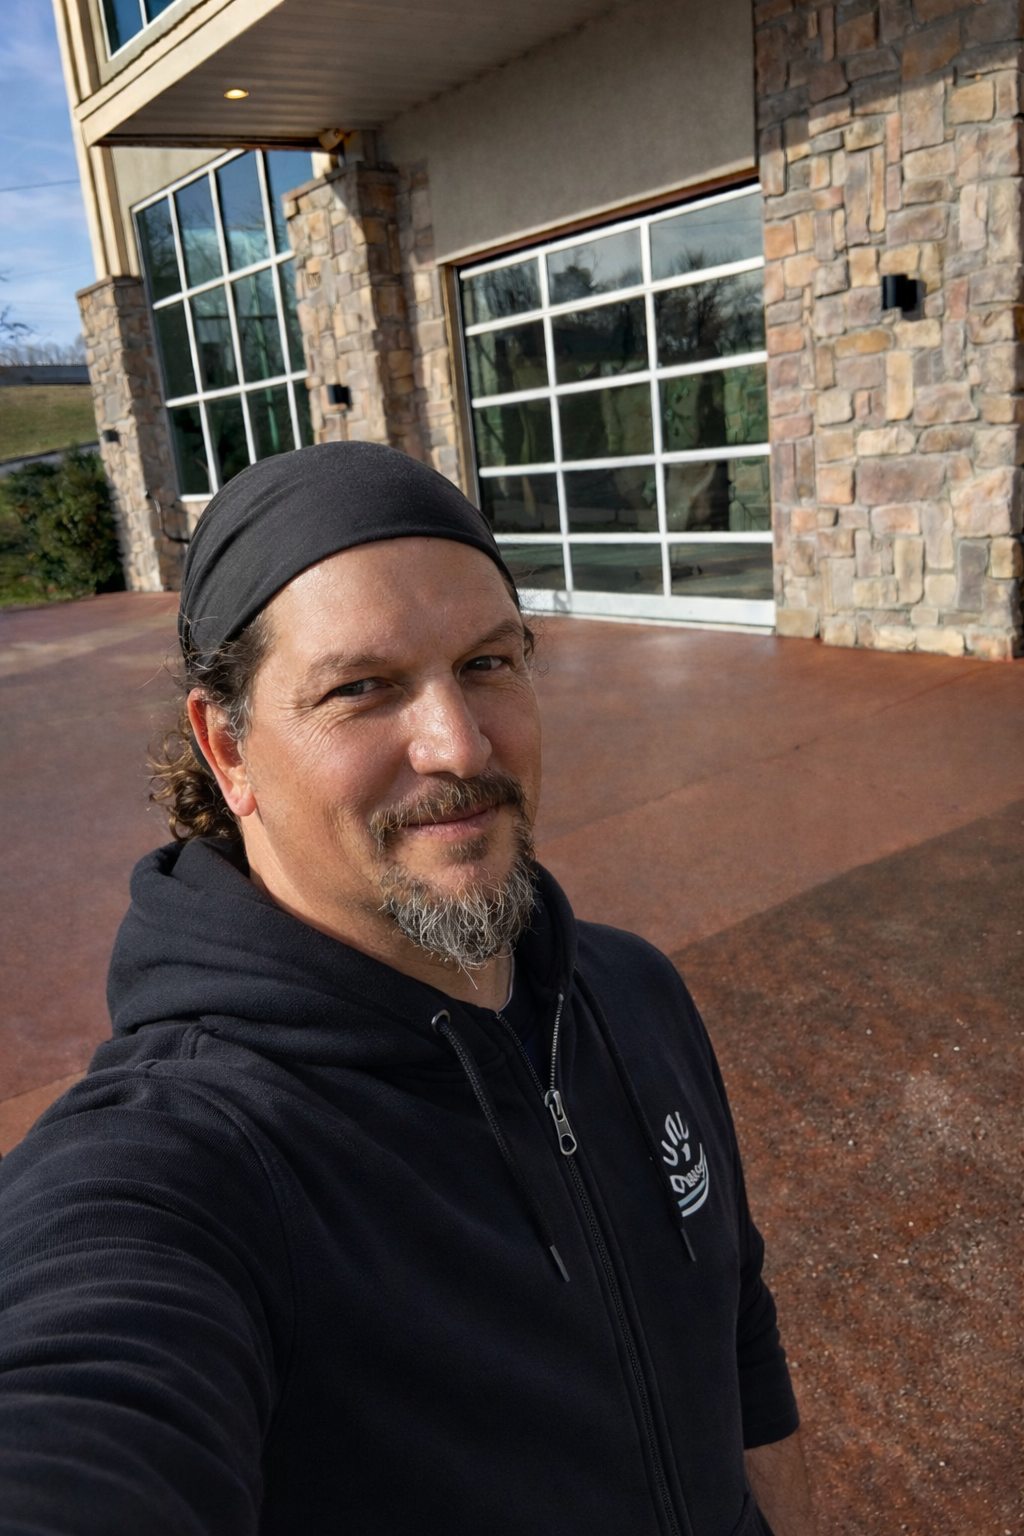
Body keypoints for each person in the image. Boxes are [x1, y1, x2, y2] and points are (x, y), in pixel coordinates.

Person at [0, 442, 814, 1536]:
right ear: (226, 748)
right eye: (361, 688)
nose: (460, 746)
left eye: (488, 662)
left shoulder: (632, 993)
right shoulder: (194, 1160)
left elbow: (739, 1344)